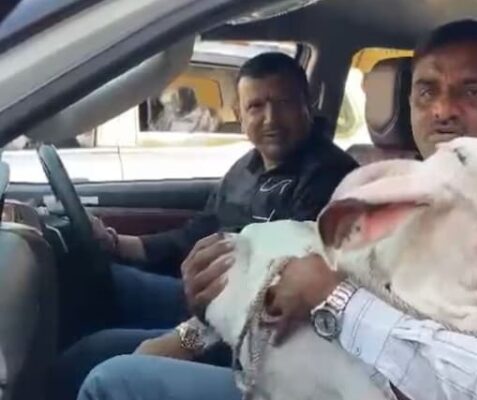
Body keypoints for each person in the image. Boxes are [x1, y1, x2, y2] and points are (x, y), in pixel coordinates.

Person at [77, 20, 477, 400]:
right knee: (100, 354)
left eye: (472, 92)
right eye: (426, 92)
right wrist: (203, 320)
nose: (442, 109)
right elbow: (297, 268)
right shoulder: (403, 189)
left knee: (113, 381)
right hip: (304, 364)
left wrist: (334, 296)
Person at [49, 52, 358, 400]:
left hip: (250, 335)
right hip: (207, 301)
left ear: (307, 104)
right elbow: (197, 232)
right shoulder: (246, 168)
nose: (271, 118)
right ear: (239, 114)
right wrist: (119, 242)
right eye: (256, 106)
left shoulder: (331, 180)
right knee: (98, 292)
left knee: (98, 361)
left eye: (283, 103)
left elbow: (281, 297)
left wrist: (186, 339)